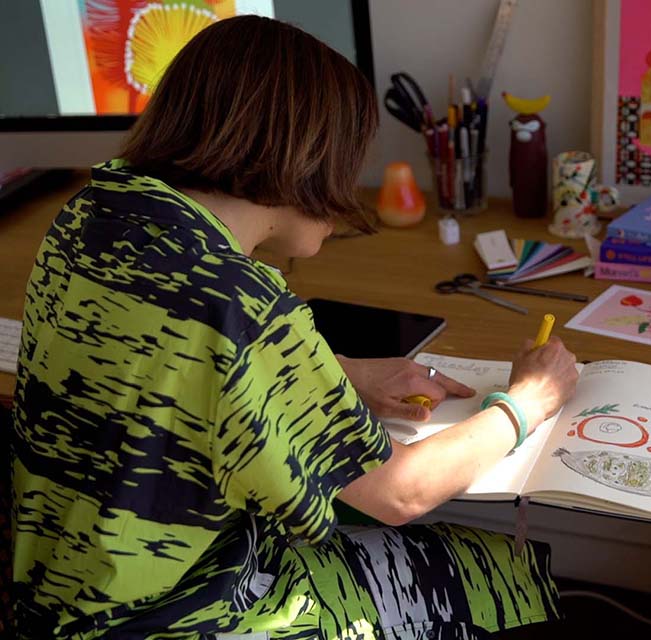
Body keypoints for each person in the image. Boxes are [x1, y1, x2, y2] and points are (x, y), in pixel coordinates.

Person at [11, 14, 579, 640]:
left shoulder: (94, 213)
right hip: (178, 614)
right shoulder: (238, 300)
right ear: (304, 157)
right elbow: (401, 493)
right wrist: (527, 402)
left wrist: (341, 375)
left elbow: (169, 368)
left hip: (57, 599)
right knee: (501, 573)